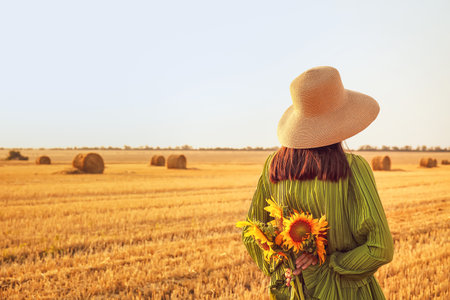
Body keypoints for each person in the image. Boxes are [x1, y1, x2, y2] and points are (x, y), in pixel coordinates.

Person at [241, 66, 394, 299]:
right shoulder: (353, 168)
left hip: (293, 291)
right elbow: (380, 248)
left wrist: (285, 265)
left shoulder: (273, 166)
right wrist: (331, 265)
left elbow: (251, 231)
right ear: (342, 118)